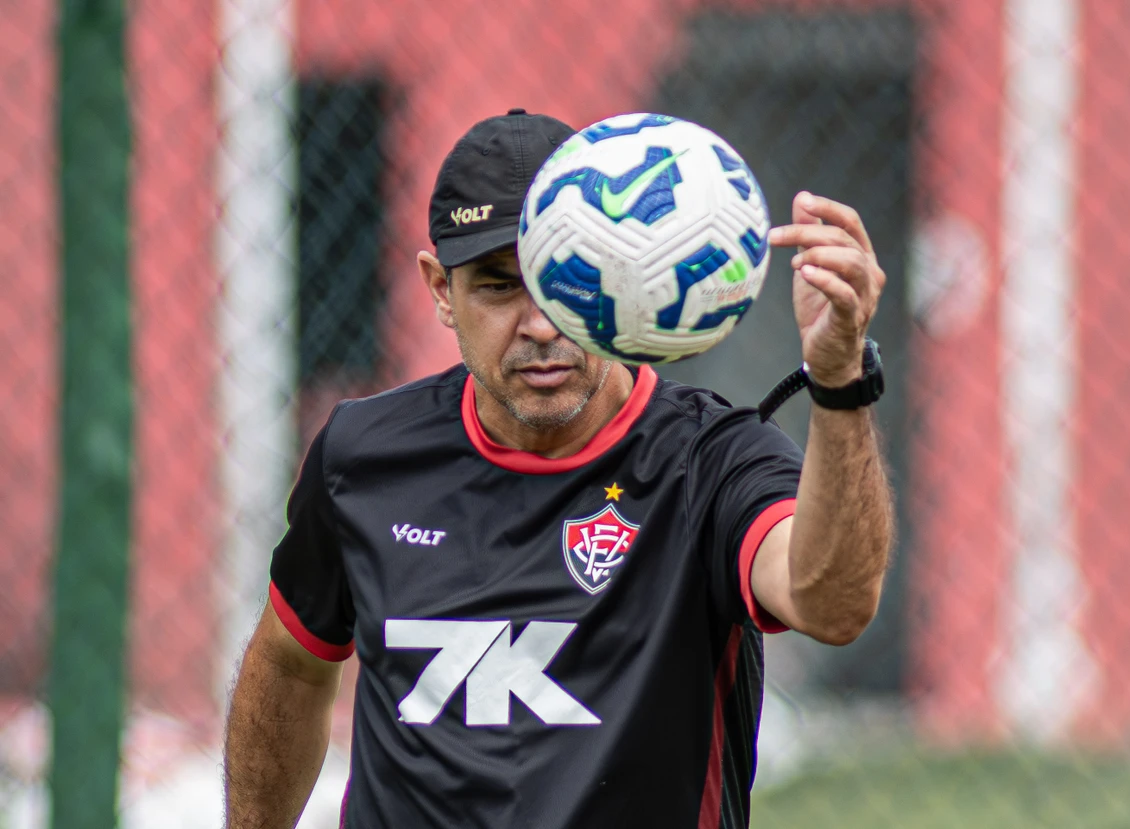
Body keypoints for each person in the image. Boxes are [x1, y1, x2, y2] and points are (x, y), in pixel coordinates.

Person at [224, 108, 894, 829]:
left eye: (567, 279)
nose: (541, 324)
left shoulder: (710, 459)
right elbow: (291, 662)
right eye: (497, 285)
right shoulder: (364, 455)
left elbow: (832, 604)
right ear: (442, 291)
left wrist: (839, 381)